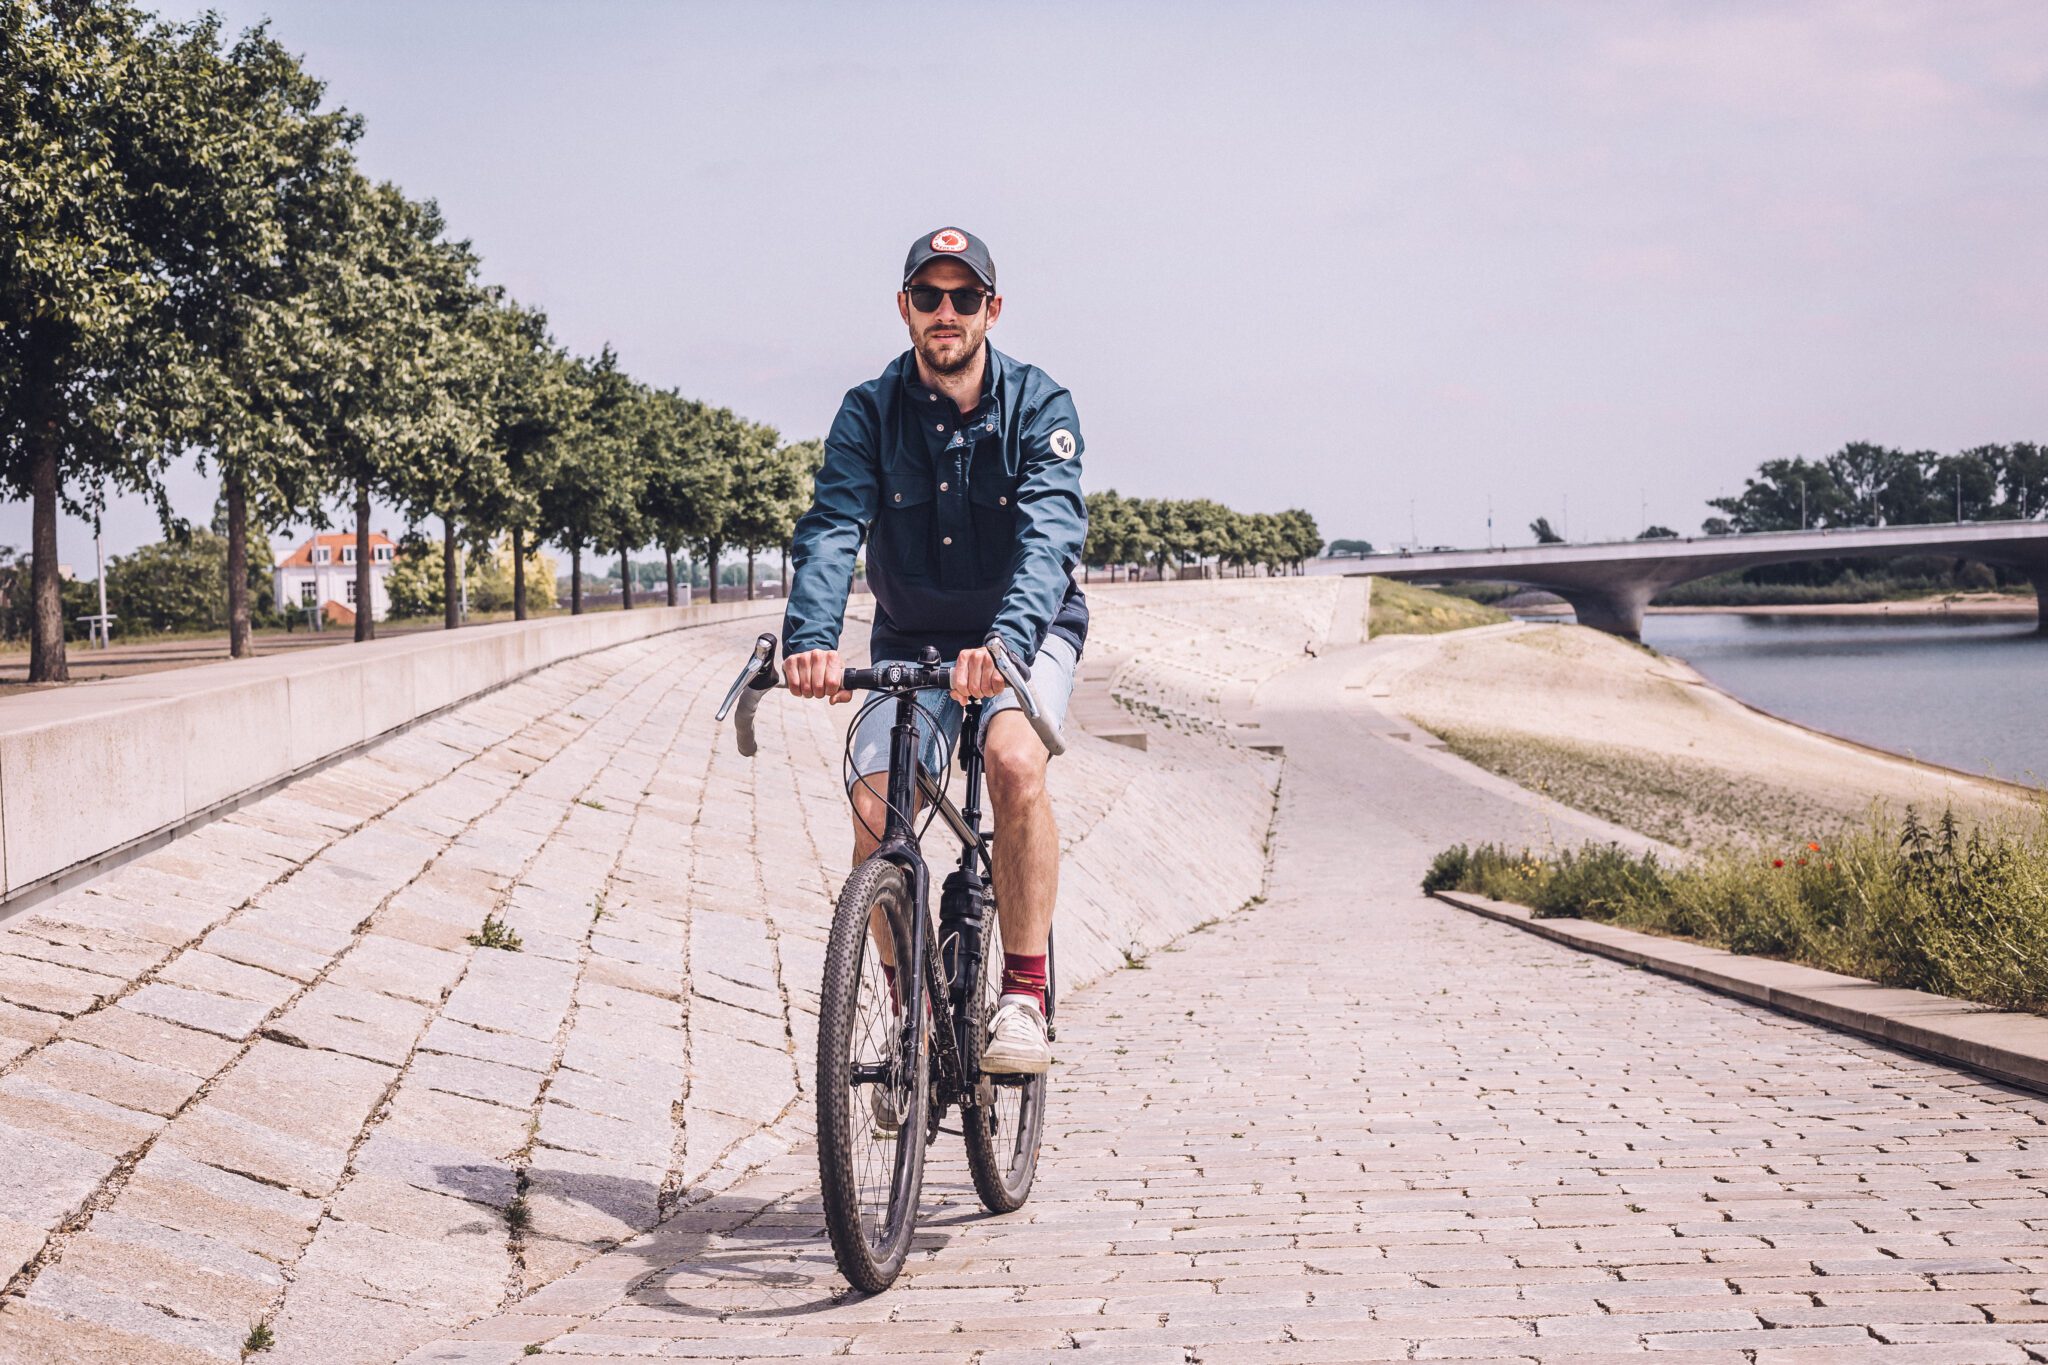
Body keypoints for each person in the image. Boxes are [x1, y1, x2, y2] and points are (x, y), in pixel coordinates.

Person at [780, 226, 1087, 1076]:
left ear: (992, 308)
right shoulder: (868, 412)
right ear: (905, 309)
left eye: (962, 297)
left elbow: (1050, 535)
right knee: (876, 809)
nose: (944, 312)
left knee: (1015, 762)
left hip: (1024, 632)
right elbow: (835, 524)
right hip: (913, 639)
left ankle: (1024, 993)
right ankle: (907, 1009)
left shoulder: (1039, 406)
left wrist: (1005, 643)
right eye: (928, 296)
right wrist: (810, 639)